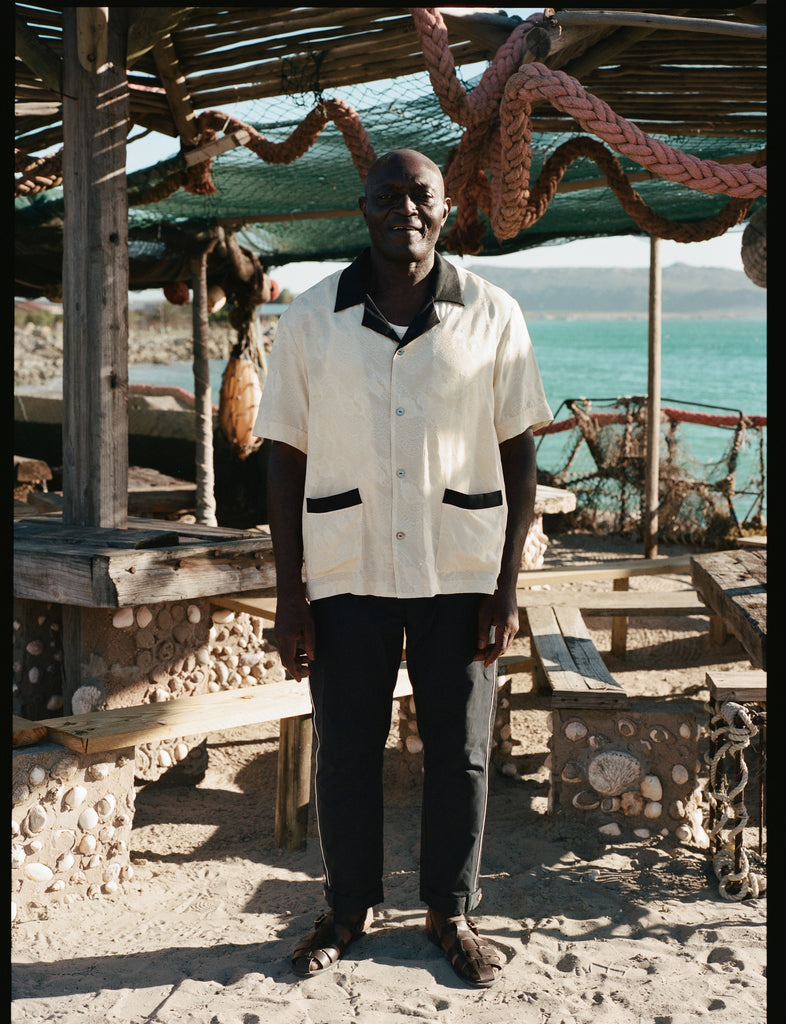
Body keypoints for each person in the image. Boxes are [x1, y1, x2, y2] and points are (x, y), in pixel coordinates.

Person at [255, 149, 552, 987]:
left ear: (446, 207)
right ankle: (347, 910)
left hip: (459, 571)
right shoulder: (310, 319)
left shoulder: (493, 314)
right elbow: (283, 458)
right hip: (346, 571)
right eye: (387, 195)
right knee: (347, 750)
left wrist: (506, 588)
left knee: (460, 751)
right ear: (364, 208)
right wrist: (290, 597)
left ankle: (450, 912)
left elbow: (518, 455)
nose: (405, 209)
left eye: (420, 194)